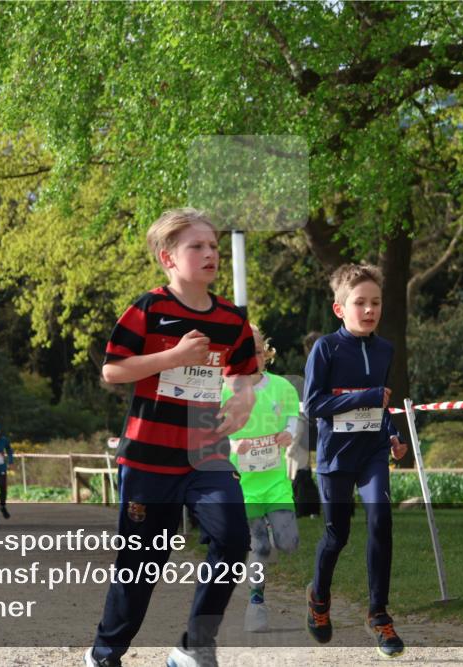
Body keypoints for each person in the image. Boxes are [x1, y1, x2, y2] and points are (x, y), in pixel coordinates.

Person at [83, 208, 257, 667]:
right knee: (142, 564)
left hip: (206, 457)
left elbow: (244, 373)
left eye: (213, 245)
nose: (210, 253)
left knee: (233, 539)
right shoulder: (149, 309)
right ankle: (105, 653)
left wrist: (243, 400)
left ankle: (194, 646)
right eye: (196, 246)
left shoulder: (232, 319)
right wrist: (174, 356)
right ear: (168, 258)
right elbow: (112, 371)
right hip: (148, 459)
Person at [303, 264, 409, 659]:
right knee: (337, 535)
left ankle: (378, 614)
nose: (369, 310)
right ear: (339, 309)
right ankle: (319, 597)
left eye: (375, 303)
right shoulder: (326, 348)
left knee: (381, 519)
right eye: (360, 303)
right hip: (335, 456)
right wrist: (364, 397)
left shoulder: (385, 350)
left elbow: (381, 403)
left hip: (372, 452)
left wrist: (392, 433)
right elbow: (314, 404)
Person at [222, 326, 301, 633]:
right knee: (259, 545)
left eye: (255, 351)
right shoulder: (224, 390)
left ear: (265, 354)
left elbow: (293, 417)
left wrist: (288, 434)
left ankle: (268, 543)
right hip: (244, 483)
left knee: (288, 542)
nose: (250, 358)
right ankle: (256, 602)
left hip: (276, 480)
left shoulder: (282, 387)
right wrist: (232, 445)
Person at [292, 331, 323, 519]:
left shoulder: (309, 368)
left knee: (302, 468)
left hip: (308, 421)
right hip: (319, 420)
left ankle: (306, 507)